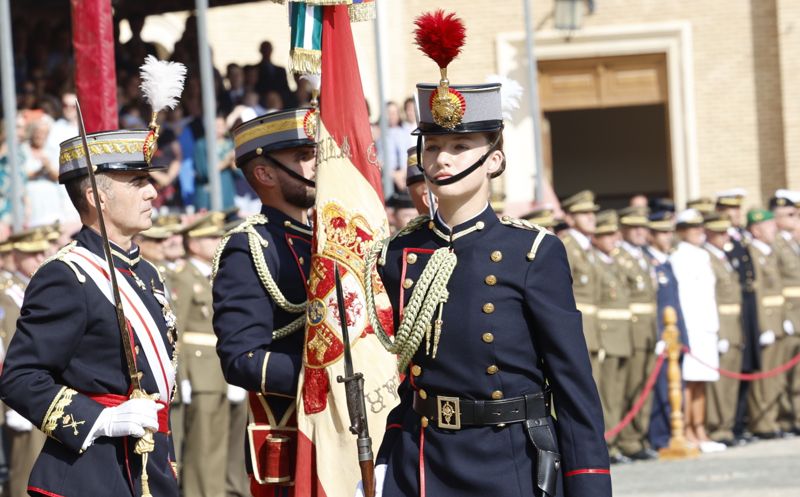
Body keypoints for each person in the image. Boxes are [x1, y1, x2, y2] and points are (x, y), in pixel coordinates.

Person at [363, 13, 610, 496]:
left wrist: (589, 484)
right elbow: (406, 378)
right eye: (433, 146)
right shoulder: (400, 251)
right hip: (424, 459)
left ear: (493, 159)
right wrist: (388, 461)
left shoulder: (532, 252)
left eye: (460, 145)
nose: (443, 158)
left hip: (508, 457)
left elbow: (573, 384)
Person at [0, 128, 179, 496]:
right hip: (94, 472)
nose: (152, 191)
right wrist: (100, 419)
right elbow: (20, 377)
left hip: (150, 465)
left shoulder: (147, 273)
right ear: (97, 196)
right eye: (137, 182)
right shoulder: (67, 275)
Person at [212, 107, 316, 497]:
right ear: (265, 174)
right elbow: (241, 358)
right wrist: (322, 377)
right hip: (292, 429)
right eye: (302, 157)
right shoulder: (250, 247)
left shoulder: (328, 238)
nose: (316, 165)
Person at [175, 212, 249, 497]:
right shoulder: (185, 278)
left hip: (221, 371)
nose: (218, 242)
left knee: (223, 445)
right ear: (193, 243)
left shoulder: (215, 276)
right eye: (210, 237)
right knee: (203, 446)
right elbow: (177, 332)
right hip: (199, 374)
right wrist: (181, 376)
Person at [670, 209, 725, 453]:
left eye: (700, 227)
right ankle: (688, 429)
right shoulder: (678, 256)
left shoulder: (703, 255)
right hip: (691, 326)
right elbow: (682, 297)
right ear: (682, 231)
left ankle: (700, 429)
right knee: (689, 382)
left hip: (706, 325)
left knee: (703, 381)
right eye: (692, 228)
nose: (698, 232)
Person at [0, 228, 49, 497]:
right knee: (24, 470)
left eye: (42, 252)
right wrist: (11, 403)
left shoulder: (34, 286)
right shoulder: (6, 293)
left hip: (44, 388)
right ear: (16, 255)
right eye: (33, 253)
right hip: (21, 391)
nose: (40, 257)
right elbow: (5, 348)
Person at [614, 206, 659, 460]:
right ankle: (627, 440)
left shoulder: (642, 256)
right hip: (631, 330)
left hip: (649, 329)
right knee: (628, 387)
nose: (641, 232)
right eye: (635, 228)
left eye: (643, 227)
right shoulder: (619, 257)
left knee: (643, 386)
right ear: (624, 230)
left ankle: (639, 437)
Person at [716, 189, 760, 442]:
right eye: (731, 209)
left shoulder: (740, 238)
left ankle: (740, 422)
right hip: (732, 308)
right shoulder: (725, 241)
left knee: (747, 364)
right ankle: (732, 425)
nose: (736, 214)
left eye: (737, 209)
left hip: (745, 307)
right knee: (734, 368)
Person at [644, 210, 689, 451]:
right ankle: (658, 437)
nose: (667, 237)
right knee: (660, 388)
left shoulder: (666, 261)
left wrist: (684, 337)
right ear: (651, 235)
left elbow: (675, 304)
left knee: (673, 387)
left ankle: (671, 434)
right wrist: (657, 334)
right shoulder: (647, 261)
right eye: (662, 232)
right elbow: (651, 304)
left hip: (673, 333)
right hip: (660, 334)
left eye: (669, 232)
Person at [591, 210, 633, 464]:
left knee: (617, 394)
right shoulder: (594, 261)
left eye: (613, 234)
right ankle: (607, 443)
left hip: (621, 334)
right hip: (605, 334)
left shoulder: (614, 261)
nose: (612, 239)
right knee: (605, 394)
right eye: (606, 235)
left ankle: (615, 442)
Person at [746, 208, 788, 439]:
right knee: (765, 376)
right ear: (756, 230)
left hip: (779, 319)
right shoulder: (753, 253)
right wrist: (764, 326)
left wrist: (785, 319)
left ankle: (773, 419)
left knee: (777, 376)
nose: (774, 229)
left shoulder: (769, 252)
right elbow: (758, 292)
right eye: (769, 225)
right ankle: (763, 423)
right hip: (767, 322)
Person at [703, 213, 744, 446]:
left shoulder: (723, 256)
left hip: (734, 323)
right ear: (708, 233)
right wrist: (718, 332)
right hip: (722, 324)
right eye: (719, 233)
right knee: (719, 384)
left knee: (731, 381)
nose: (724, 237)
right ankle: (717, 427)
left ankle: (727, 427)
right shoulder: (707, 257)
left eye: (725, 232)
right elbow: (712, 298)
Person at [560, 190, 603, 382]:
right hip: (580, 328)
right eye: (584, 213)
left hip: (594, 328)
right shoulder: (567, 246)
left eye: (592, 212)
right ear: (570, 219)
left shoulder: (588, 248)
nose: (591, 217)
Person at [769, 190, 800, 435]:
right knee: (783, 370)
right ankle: (782, 417)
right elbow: (776, 283)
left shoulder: (793, 241)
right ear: (777, 218)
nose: (795, 218)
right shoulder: (776, 244)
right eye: (790, 215)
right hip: (788, 313)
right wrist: (785, 318)